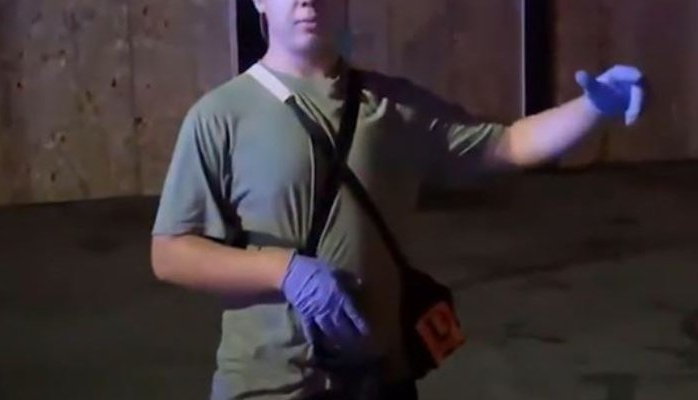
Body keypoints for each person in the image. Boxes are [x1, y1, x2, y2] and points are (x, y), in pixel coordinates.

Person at [148, 0, 644, 398]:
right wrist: (284, 271)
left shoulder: (393, 108)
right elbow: (170, 253)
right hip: (271, 384)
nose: (306, 0)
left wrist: (592, 107)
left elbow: (510, 144)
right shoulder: (221, 117)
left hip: (379, 380)